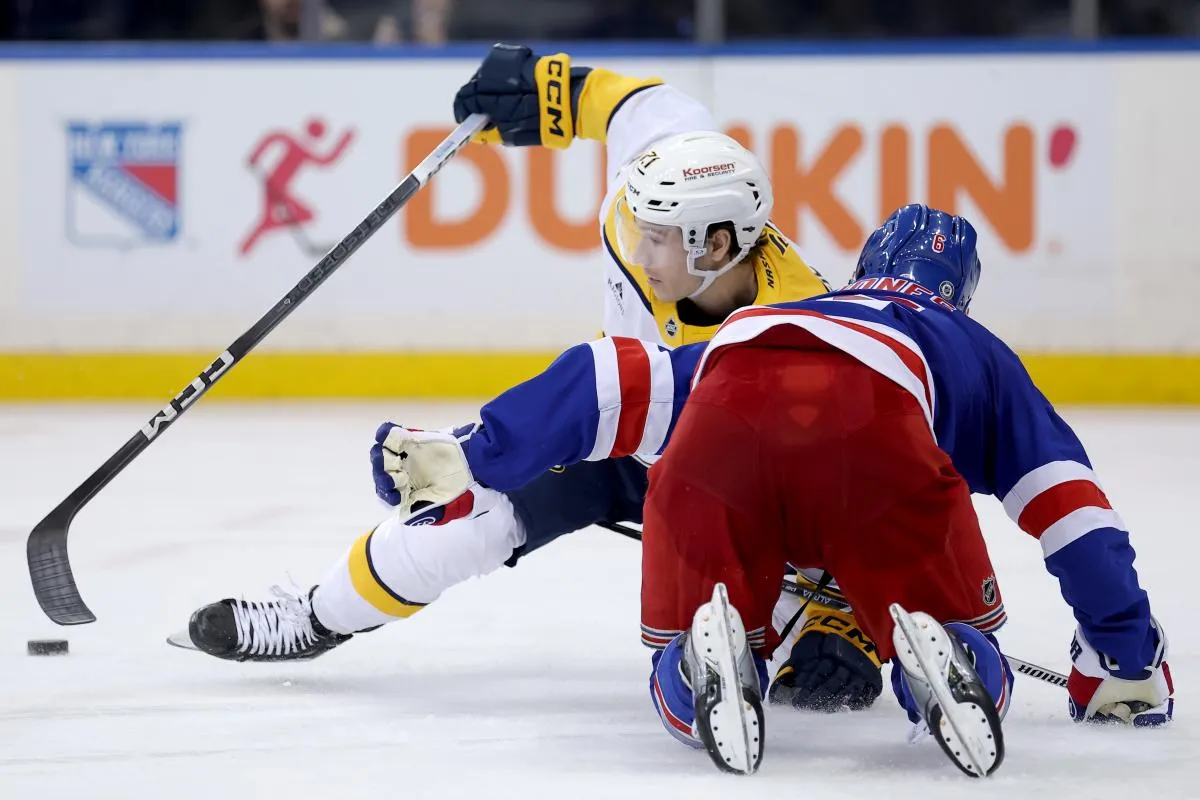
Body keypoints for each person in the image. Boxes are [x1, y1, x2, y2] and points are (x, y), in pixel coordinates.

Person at [326, 206, 1172, 776]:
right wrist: (1122, 655)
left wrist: (473, 453)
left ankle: (695, 661)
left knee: (699, 608)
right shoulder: (974, 350)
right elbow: (1074, 515)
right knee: (946, 614)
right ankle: (954, 661)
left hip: (724, 429)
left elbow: (612, 381)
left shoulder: (778, 317)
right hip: (877, 440)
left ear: (866, 267)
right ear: (962, 292)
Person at [179, 43, 879, 715]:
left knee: (774, 597)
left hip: (726, 478)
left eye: (658, 236)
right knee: (458, 526)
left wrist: (842, 613)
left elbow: (854, 482)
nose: (637, 247)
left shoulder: (793, 332)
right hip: (619, 437)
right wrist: (553, 90)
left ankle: (812, 610)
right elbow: (643, 102)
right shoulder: (672, 180)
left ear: (718, 244)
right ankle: (315, 615)